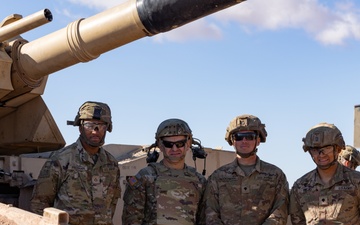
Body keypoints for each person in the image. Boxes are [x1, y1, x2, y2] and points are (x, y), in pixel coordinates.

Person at [31, 101, 121, 225]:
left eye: (101, 126)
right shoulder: (61, 160)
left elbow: (112, 204)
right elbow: (39, 204)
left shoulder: (112, 165)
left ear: (107, 128)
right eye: (90, 125)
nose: (95, 131)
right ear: (80, 127)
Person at [202, 114, 289, 224]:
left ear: (257, 140)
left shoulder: (275, 175)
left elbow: (280, 211)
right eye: (239, 137)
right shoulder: (218, 177)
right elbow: (210, 213)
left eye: (249, 136)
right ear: (233, 141)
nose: (244, 141)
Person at [122, 118, 207, 225]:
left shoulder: (199, 181)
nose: (175, 149)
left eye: (180, 144)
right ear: (160, 145)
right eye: (168, 144)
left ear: (188, 143)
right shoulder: (145, 178)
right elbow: (131, 219)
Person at [289, 122, 360, 224]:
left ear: (338, 149)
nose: (321, 154)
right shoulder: (300, 186)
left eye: (327, 148)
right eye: (315, 149)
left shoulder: (356, 181)